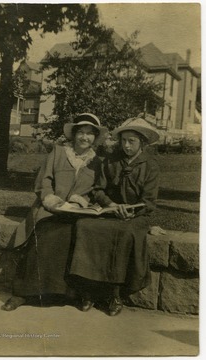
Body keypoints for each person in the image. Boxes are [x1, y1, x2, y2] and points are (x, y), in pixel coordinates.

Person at [2, 113, 107, 311]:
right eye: (81, 133)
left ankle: (69, 293)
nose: (85, 137)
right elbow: (44, 181)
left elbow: (97, 192)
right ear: (73, 135)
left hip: (76, 213)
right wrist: (51, 200)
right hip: (49, 209)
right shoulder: (58, 153)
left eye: (89, 134)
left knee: (77, 236)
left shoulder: (97, 163)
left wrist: (81, 202)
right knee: (43, 234)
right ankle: (22, 293)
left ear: (95, 137)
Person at [68, 117, 160, 316]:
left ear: (142, 143)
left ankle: (115, 294)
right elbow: (99, 190)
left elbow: (150, 201)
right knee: (85, 226)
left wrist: (130, 210)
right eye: (124, 141)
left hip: (136, 216)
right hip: (110, 210)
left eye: (132, 142)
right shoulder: (111, 161)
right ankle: (88, 290)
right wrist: (111, 204)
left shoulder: (150, 165)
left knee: (124, 233)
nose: (126, 145)